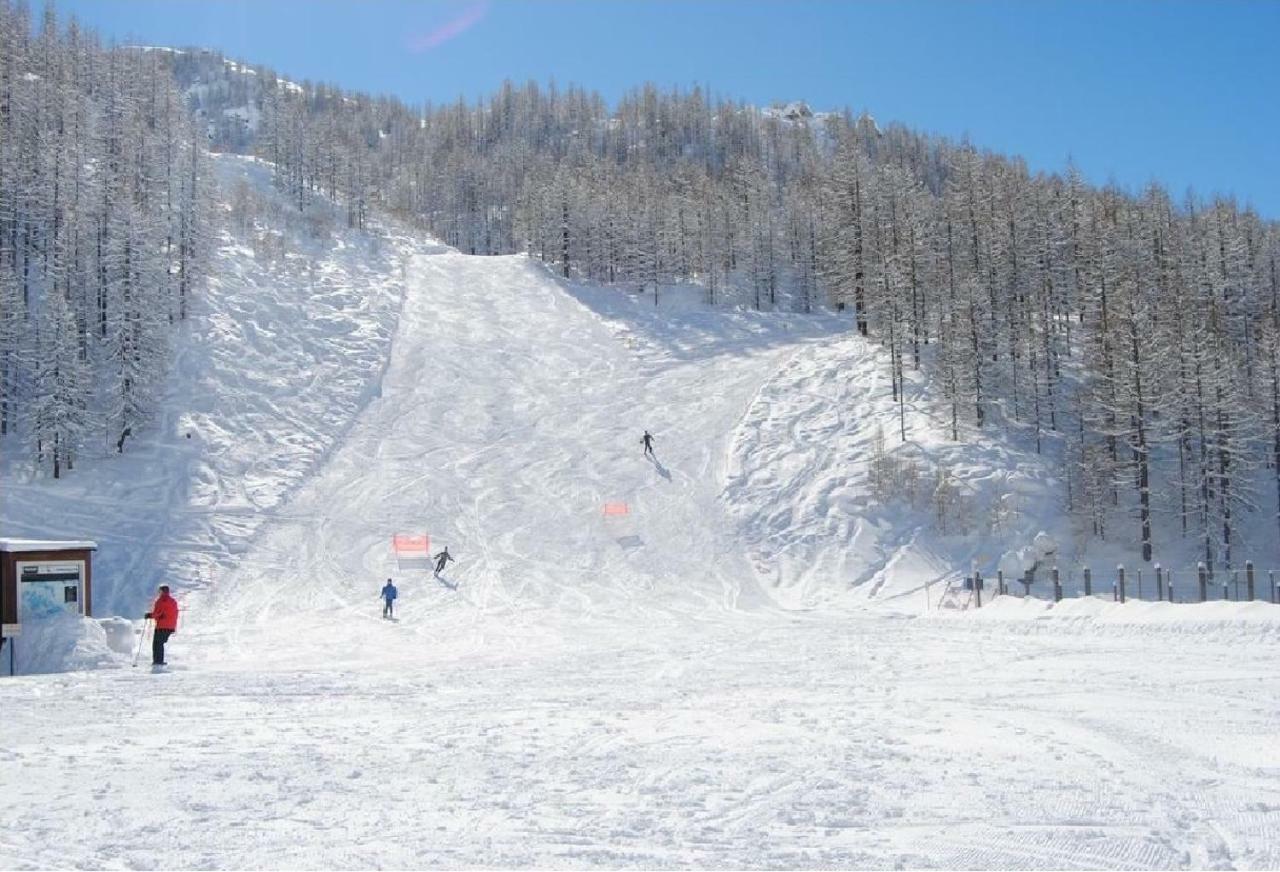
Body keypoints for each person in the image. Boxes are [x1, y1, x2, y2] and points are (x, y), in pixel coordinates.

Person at [144, 585, 179, 667]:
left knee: (157, 643)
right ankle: (159, 661)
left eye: (159, 591)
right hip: (170, 626)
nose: (159, 593)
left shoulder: (161, 601)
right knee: (160, 643)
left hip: (162, 625)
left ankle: (158, 661)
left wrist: (150, 615)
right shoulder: (173, 601)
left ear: (162, 592)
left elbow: (158, 613)